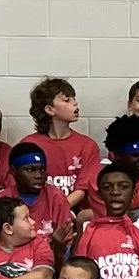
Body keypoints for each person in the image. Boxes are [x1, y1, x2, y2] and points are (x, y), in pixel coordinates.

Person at [19, 75, 101, 209]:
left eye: (74, 99)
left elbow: (83, 188)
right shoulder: (29, 145)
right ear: (50, 109)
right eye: (67, 100)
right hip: (37, 211)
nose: (75, 103)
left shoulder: (87, 145)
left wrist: (60, 210)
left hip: (75, 212)